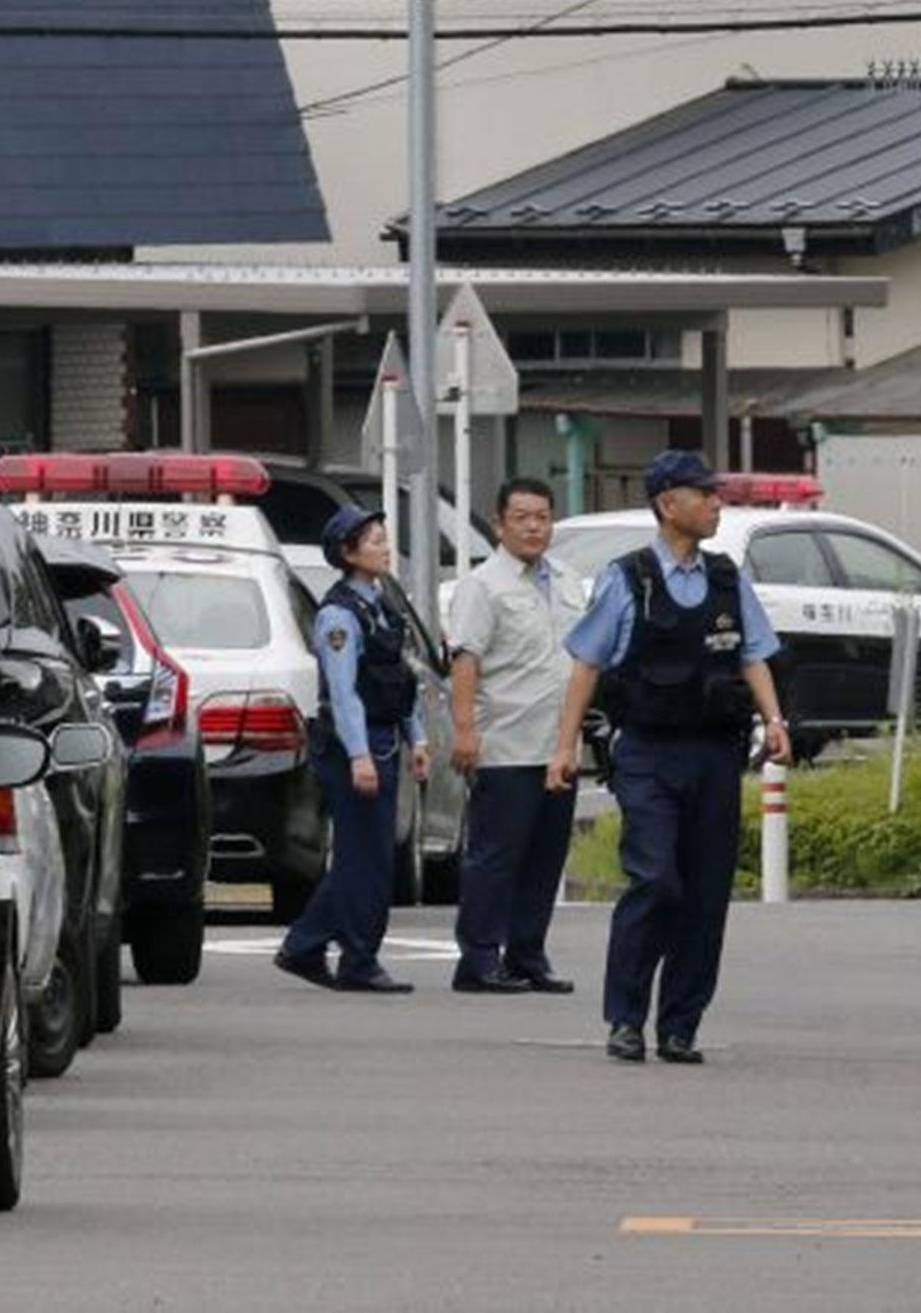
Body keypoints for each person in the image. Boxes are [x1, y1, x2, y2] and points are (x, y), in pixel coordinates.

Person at [549, 450, 788, 1065]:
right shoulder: (627, 579)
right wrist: (564, 746)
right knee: (656, 880)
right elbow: (588, 662)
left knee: (705, 895)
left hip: (713, 755)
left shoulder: (728, 577)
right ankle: (625, 1017)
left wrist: (774, 719)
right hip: (648, 754)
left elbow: (753, 653)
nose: (716, 504)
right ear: (667, 503)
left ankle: (680, 1025)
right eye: (703, 493)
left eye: (716, 494)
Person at [276, 504, 430, 994]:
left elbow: (398, 678)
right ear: (347, 553)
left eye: (384, 539)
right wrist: (360, 755)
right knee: (364, 859)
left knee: (371, 857)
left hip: (384, 739)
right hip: (354, 749)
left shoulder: (383, 603)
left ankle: (317, 947)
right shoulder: (339, 615)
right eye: (375, 541)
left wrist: (418, 736)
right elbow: (343, 694)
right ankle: (346, 954)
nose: (385, 548)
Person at [447, 477, 588, 995]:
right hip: (505, 742)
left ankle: (528, 953)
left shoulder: (569, 580)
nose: (534, 526)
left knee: (545, 857)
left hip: (558, 745)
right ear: (501, 523)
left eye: (543, 517)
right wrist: (465, 731)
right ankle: (479, 958)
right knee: (496, 855)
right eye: (523, 517)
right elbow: (466, 660)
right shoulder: (482, 586)